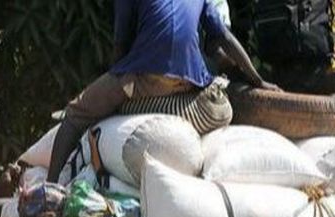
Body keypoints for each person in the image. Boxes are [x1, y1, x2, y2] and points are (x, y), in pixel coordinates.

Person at [46, 0, 277, 182]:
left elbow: (121, 43)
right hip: (191, 79)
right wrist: (258, 80)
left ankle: (50, 189)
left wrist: (114, 84)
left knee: (76, 114)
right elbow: (224, 37)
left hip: (147, 73)